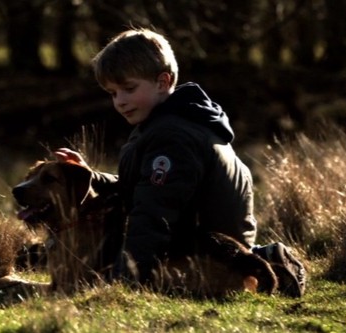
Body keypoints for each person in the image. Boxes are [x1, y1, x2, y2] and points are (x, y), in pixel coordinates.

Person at [53, 28, 306, 297]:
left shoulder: (173, 137)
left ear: (163, 82)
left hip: (211, 254)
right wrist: (92, 177)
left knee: (93, 274)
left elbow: (154, 213)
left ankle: (267, 264)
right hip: (208, 242)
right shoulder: (169, 123)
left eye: (129, 89)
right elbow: (148, 188)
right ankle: (259, 256)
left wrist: (126, 279)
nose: (120, 101)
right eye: (113, 93)